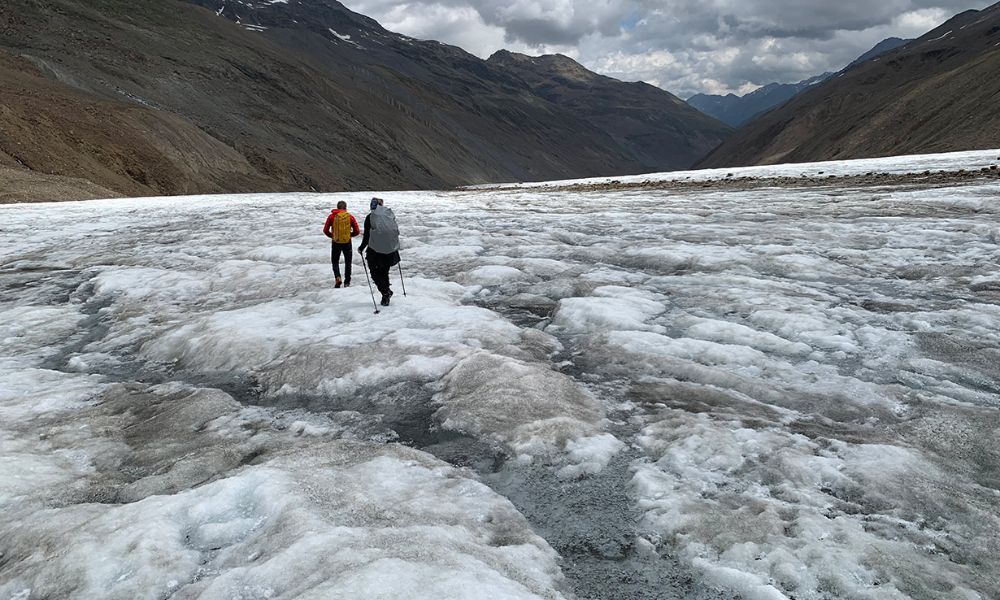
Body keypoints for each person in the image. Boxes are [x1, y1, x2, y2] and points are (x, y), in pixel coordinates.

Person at [358, 197, 400, 306]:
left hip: (375, 252)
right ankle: (386, 293)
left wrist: (361, 248)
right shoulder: (389, 216)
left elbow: (367, 236)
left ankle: (386, 292)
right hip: (390, 250)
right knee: (384, 272)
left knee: (374, 273)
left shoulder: (370, 218)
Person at [322, 200, 360, 288]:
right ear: (345, 208)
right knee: (348, 262)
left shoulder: (332, 216)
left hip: (336, 242)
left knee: (335, 261)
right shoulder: (350, 217)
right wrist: (350, 235)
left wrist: (333, 236)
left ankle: (338, 277)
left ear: (337, 207)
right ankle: (347, 282)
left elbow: (325, 230)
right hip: (347, 242)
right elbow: (357, 231)